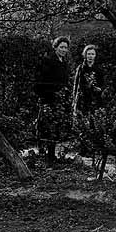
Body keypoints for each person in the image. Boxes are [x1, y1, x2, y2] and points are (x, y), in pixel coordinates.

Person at [34, 36, 72, 164]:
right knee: (47, 125)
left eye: (65, 47)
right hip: (48, 97)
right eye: (61, 47)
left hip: (60, 99)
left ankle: (52, 154)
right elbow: (40, 81)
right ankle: (46, 154)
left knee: (56, 126)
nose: (63, 50)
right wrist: (46, 94)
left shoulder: (64, 63)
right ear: (55, 47)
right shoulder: (48, 61)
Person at [72, 44, 105, 116]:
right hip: (83, 99)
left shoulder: (99, 69)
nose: (90, 56)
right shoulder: (81, 68)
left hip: (95, 99)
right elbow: (76, 83)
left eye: (92, 54)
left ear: (95, 55)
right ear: (85, 55)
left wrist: (100, 89)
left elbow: (102, 84)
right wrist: (74, 99)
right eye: (88, 54)